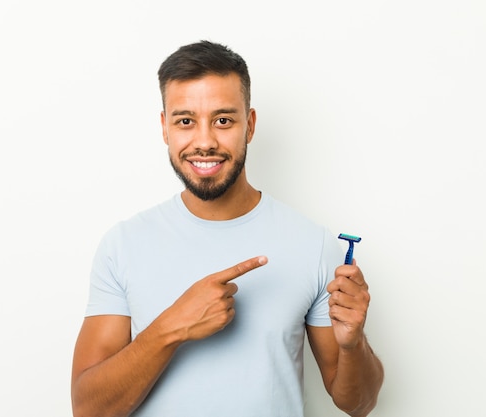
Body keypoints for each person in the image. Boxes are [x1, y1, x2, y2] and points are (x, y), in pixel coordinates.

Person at [71, 40, 384, 417]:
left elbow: (358, 403)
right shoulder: (122, 244)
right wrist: (172, 326)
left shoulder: (314, 245)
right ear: (165, 128)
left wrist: (354, 345)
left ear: (249, 126)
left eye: (223, 120)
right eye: (185, 121)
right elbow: (87, 409)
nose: (204, 142)